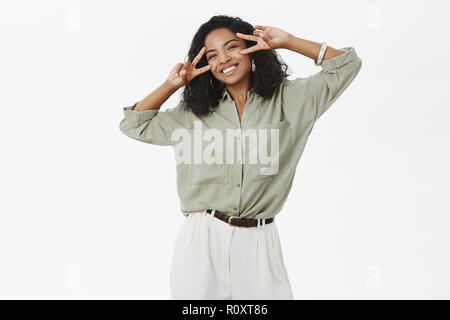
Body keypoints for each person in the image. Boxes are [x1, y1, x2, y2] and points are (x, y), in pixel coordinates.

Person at [119, 15, 362, 300]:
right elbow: (134, 124)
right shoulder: (193, 114)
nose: (223, 59)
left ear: (252, 48)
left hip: (260, 239)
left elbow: (347, 65)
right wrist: (172, 85)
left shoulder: (292, 100)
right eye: (212, 55)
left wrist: (288, 41)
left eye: (232, 47)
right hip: (202, 242)